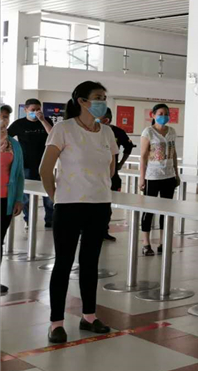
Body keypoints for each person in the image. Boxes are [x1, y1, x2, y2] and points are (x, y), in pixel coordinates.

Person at [40, 81, 117, 344]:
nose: (102, 101)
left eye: (104, 97)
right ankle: (56, 323)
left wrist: (98, 187)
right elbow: (45, 169)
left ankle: (89, 316)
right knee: (63, 263)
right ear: (82, 101)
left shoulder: (106, 132)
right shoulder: (63, 129)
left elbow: (111, 168)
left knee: (90, 263)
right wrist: (57, 198)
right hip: (69, 206)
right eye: (97, 97)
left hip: (100, 205)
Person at [139, 104, 180, 256]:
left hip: (168, 176)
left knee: (166, 210)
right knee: (149, 210)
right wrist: (142, 178)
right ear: (153, 115)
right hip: (153, 176)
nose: (164, 116)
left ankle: (163, 242)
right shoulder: (148, 132)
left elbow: (174, 153)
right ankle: (146, 243)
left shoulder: (172, 131)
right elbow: (143, 156)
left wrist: (176, 173)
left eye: (166, 113)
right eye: (161, 113)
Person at [7, 98, 53, 228]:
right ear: (26, 110)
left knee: (49, 195)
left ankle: (50, 220)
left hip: (45, 163)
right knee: (26, 196)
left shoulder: (46, 121)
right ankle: (28, 219)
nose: (36, 112)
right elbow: (6, 137)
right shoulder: (19, 124)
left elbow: (53, 135)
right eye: (33, 110)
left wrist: (42, 120)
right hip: (26, 164)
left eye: (38, 109)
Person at [1, 105, 26, 296]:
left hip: (5, 200)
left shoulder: (14, 145)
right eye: (0, 116)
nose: (3, 120)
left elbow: (18, 175)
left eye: (6, 117)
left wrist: (18, 199)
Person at [101, 108, 135, 241]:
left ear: (107, 120)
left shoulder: (117, 132)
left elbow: (128, 147)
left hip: (111, 175)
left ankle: (103, 230)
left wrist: (121, 163)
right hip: (92, 174)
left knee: (106, 205)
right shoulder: (89, 131)